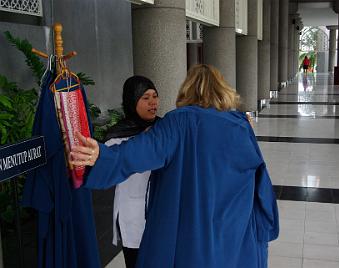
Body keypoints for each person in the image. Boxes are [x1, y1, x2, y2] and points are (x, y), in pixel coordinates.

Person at [70, 64, 279, 268]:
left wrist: (104, 156)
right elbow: (260, 180)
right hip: (235, 226)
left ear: (187, 90)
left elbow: (140, 151)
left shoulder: (178, 122)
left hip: (193, 229)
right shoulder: (241, 125)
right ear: (222, 89)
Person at [104, 76, 159, 268]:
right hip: (132, 213)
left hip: (161, 210)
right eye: (145, 97)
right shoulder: (116, 136)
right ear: (131, 100)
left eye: (155, 96)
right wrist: (142, 141)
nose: (153, 102)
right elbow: (114, 168)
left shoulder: (164, 128)